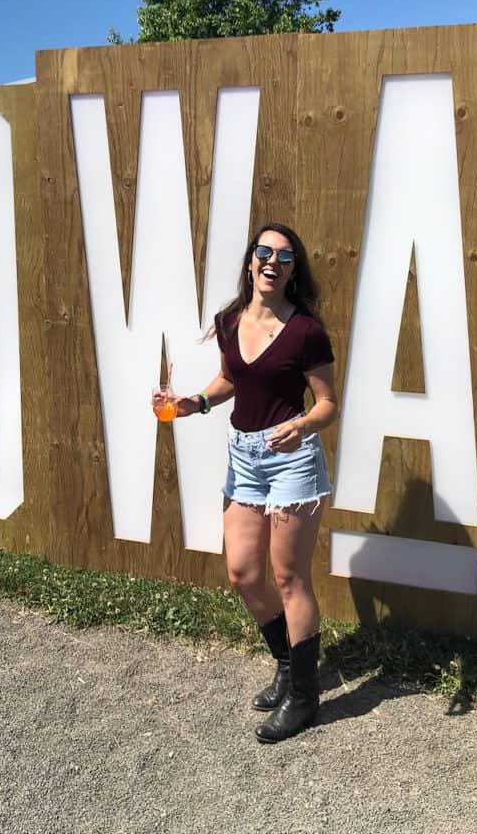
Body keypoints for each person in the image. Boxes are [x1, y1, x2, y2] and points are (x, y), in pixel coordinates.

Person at [167, 223, 338, 743]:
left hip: (290, 459)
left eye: (284, 256)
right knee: (243, 573)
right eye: (264, 251)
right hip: (243, 456)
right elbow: (231, 380)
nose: (272, 260)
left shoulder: (306, 331)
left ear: (292, 270)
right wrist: (196, 402)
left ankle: (305, 699)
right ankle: (288, 666)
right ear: (250, 262)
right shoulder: (229, 321)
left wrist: (302, 424)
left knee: (290, 578)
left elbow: (329, 404)